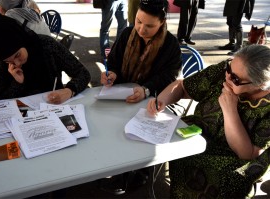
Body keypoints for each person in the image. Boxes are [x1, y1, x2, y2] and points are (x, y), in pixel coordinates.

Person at [147, 44, 270, 198]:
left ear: (259, 84)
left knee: (225, 180)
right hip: (200, 132)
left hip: (237, 158)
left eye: (236, 79)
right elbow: (183, 86)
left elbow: (247, 153)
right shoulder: (225, 72)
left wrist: (230, 110)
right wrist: (162, 101)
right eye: (229, 68)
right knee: (169, 144)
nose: (227, 77)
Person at [0, 15, 90, 103]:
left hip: (54, 107)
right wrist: (17, 83)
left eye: (17, 55)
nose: (16, 63)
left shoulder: (47, 45)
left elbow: (83, 73)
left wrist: (69, 90)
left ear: (23, 41)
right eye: (8, 61)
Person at [101, 0, 182, 104]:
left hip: (154, 100)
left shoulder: (170, 44)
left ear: (162, 22)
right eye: (138, 21)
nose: (141, 30)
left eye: (149, 26)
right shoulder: (127, 34)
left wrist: (146, 90)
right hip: (122, 95)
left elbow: (170, 77)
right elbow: (113, 61)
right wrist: (113, 74)